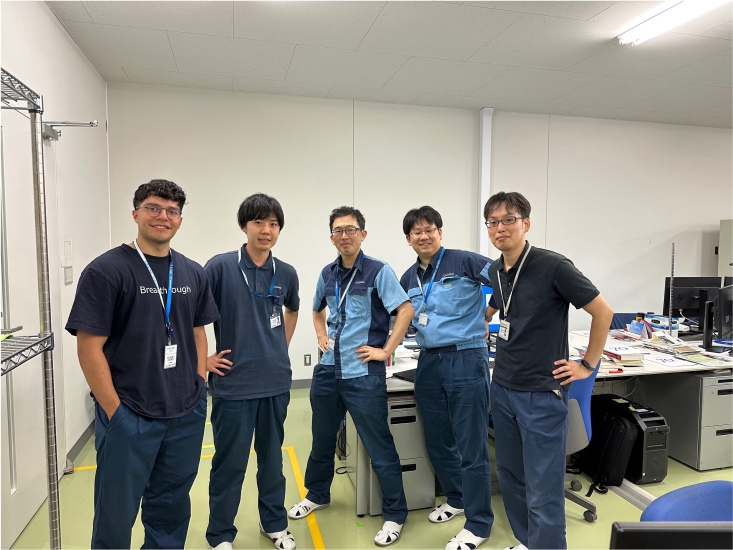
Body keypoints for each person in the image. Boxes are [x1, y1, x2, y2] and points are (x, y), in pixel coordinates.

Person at [66, 179, 220, 549]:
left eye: (171, 211)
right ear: (136, 214)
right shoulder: (106, 270)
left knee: (171, 507)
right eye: (153, 208)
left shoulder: (192, 272)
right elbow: (89, 347)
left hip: (184, 411)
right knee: (116, 512)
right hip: (130, 412)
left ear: (180, 220)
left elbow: (198, 331)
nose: (162, 216)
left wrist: (198, 386)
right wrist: (115, 411)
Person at [483, 191, 613, 550]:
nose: (500, 228)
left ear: (526, 223)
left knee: (542, 488)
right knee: (510, 478)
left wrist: (587, 364)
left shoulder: (553, 266)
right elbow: (496, 307)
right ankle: (529, 542)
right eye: (492, 222)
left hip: (541, 392)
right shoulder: (496, 269)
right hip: (504, 387)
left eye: (508, 219)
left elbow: (603, 312)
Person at [288, 206, 414, 547]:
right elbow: (315, 309)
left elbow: (405, 310)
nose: (345, 235)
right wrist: (320, 335)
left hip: (363, 374)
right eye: (338, 231)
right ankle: (317, 494)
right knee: (322, 439)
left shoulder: (378, 271)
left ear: (363, 234)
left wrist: (386, 350)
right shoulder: (326, 274)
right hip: (329, 371)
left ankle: (394, 514)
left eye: (351, 229)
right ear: (332, 237)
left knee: (379, 446)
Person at [204, 193, 300, 550]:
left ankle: (273, 523)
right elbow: (190, 315)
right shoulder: (219, 267)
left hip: (275, 382)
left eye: (273, 224)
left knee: (272, 460)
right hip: (234, 383)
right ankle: (219, 535)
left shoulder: (286, 272)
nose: (266, 230)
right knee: (230, 464)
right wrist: (203, 361)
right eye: (259, 222)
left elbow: (292, 310)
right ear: (244, 226)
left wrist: (280, 347)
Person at [399, 206, 495, 550]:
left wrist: (488, 313)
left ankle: (480, 523)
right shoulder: (408, 277)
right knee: (438, 439)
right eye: (416, 232)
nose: (423, 236)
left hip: (466, 356)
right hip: (428, 361)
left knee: (471, 445)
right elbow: (405, 315)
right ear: (408, 239)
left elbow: (505, 280)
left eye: (429, 229)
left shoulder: (464, 261)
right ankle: (457, 498)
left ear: (440, 232)